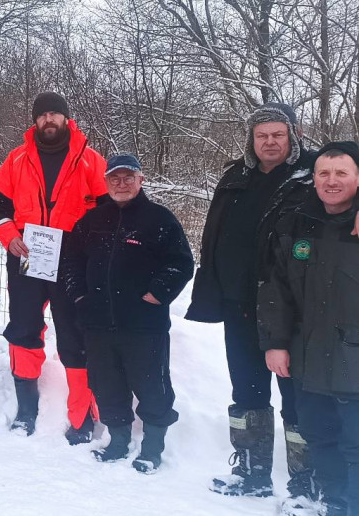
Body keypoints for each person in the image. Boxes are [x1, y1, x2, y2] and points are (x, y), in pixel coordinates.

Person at [187, 103, 322, 499]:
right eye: (262, 135)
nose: (269, 142)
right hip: (239, 306)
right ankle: (252, 472)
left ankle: (306, 484)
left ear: (294, 134)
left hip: (292, 311)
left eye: (278, 134)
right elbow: (214, 235)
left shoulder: (312, 175)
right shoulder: (235, 176)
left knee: (298, 398)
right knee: (246, 394)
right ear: (251, 138)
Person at [0, 91, 106, 443]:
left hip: (73, 259)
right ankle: (26, 408)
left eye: (55, 114)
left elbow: (106, 209)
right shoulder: (18, 159)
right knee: (23, 327)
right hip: (27, 253)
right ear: (35, 121)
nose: (49, 120)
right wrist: (9, 236)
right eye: (43, 115)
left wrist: (88, 246)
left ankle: (81, 417)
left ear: (66, 119)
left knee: (75, 334)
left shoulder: (89, 160)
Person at [60, 154, 194, 474]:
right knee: (107, 384)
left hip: (144, 325)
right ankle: (118, 441)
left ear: (140, 180)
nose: (121, 184)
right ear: (106, 183)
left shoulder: (159, 219)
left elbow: (180, 263)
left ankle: (152, 446)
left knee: (152, 386)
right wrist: (79, 295)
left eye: (128, 178)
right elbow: (70, 262)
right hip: (98, 324)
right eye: (115, 179)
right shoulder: (92, 221)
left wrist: (157, 294)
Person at [260, 141, 359, 515]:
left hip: (354, 358)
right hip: (308, 357)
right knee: (320, 439)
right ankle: (334, 505)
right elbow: (276, 289)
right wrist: (276, 342)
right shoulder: (296, 222)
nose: (331, 181)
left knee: (356, 445)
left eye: (341, 173)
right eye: (324, 173)